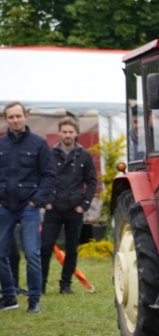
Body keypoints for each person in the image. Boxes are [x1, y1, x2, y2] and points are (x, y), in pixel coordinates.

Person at [0, 101, 57, 313]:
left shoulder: (38, 144)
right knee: (0, 252)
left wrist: (37, 200)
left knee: (32, 254)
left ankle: (34, 301)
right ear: (6, 119)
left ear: (26, 116)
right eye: (11, 117)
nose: (15, 120)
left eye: (18, 116)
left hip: (29, 207)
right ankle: (9, 296)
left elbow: (50, 175)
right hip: (5, 206)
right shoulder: (1, 145)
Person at [41, 116, 97, 295]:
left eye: (71, 132)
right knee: (45, 247)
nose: (67, 135)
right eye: (64, 131)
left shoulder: (85, 155)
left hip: (75, 209)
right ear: (59, 133)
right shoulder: (49, 154)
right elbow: (42, 178)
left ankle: (65, 284)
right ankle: (40, 284)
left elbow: (92, 181)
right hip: (54, 208)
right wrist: (46, 201)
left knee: (72, 248)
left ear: (77, 133)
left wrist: (84, 205)